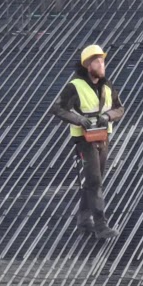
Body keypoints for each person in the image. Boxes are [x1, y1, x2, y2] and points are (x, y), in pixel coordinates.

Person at [48, 44, 125, 241]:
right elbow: (57, 108)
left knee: (92, 182)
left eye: (103, 61)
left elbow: (120, 109)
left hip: (102, 139)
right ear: (88, 64)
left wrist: (107, 117)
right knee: (94, 181)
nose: (102, 64)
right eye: (98, 61)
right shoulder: (75, 86)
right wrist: (79, 120)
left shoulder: (107, 86)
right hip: (84, 140)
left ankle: (83, 221)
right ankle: (101, 226)